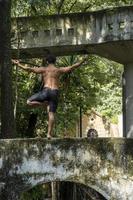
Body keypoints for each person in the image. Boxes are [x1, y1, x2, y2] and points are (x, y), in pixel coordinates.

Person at [12, 54, 87, 138]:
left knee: (28, 102)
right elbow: (72, 67)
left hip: (46, 91)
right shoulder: (58, 70)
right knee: (51, 114)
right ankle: (49, 134)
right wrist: (83, 60)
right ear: (55, 61)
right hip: (55, 92)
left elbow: (29, 69)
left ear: (47, 61)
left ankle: (43, 104)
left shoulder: (44, 69)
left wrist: (18, 64)